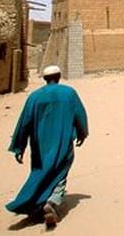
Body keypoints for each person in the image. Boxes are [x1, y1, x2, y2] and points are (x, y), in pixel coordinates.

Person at [6, 65, 88, 228]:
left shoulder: (34, 97)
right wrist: (82, 133)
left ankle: (36, 205)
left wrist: (19, 147)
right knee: (60, 173)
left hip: (40, 146)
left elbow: (24, 123)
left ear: (44, 79)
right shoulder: (69, 93)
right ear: (59, 76)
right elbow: (80, 114)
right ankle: (51, 201)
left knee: (40, 172)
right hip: (63, 143)